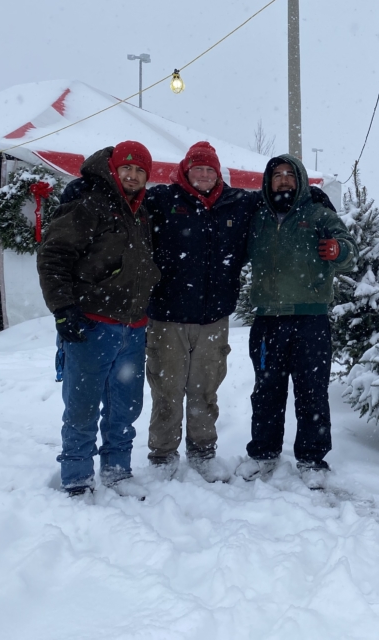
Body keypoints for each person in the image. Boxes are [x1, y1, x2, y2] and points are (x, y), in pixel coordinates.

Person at [37, 141, 161, 497]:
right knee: (83, 404)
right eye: (127, 168)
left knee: (127, 405)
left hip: (134, 326)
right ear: (114, 169)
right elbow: (54, 255)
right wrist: (63, 310)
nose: (133, 175)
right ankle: (76, 475)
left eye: (140, 170)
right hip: (93, 323)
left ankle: (117, 469)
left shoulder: (141, 211)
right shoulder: (89, 204)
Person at [143, 141, 260, 481]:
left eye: (210, 169)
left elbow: (277, 195)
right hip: (168, 317)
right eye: (198, 169)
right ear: (186, 170)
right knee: (166, 389)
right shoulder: (162, 200)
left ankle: (202, 451)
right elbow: (124, 202)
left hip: (213, 318)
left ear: (217, 173)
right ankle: (163, 455)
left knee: (204, 389)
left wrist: (318, 197)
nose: (204, 175)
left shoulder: (235, 203)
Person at [237, 154, 356, 488]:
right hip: (267, 322)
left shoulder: (319, 214)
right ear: (268, 181)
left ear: (300, 180)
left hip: (310, 321)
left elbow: (349, 248)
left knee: (312, 393)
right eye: (278, 175)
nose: (284, 180)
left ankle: (312, 459)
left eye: (291, 174)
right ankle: (263, 454)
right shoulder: (258, 217)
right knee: (266, 392)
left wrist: (338, 250)